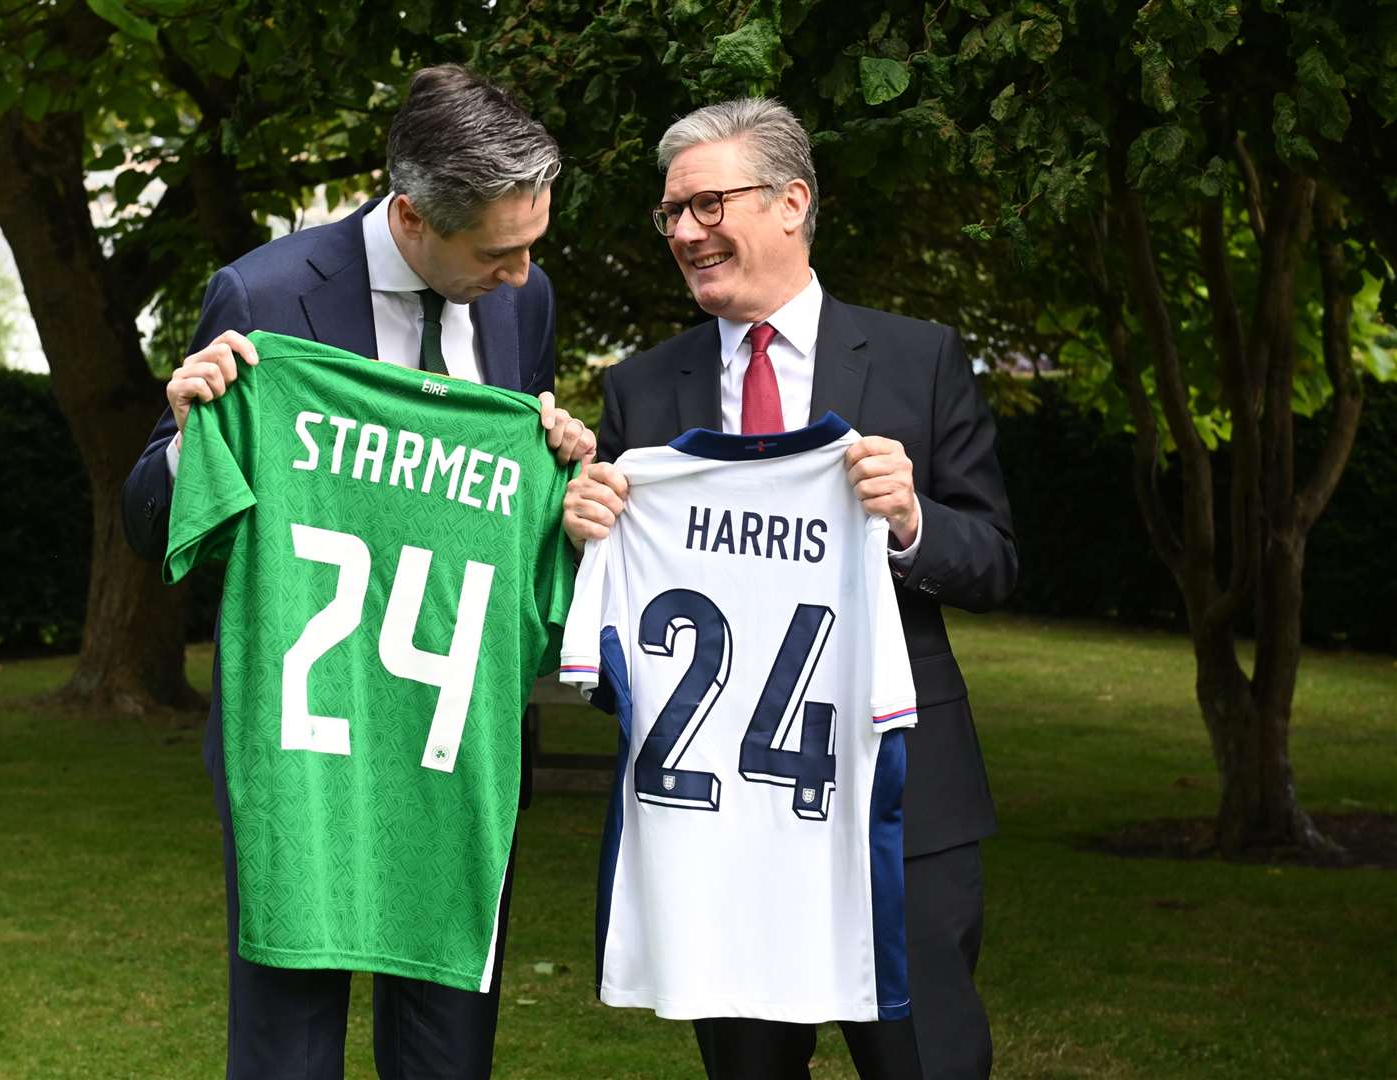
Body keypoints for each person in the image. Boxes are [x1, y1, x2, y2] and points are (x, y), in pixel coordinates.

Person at [122, 64, 591, 1080]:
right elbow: (153, 520)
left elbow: (508, 492)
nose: (518, 275)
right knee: (289, 1044)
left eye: (531, 250)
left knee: (447, 1046)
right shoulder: (266, 295)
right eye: (498, 254)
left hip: (454, 737)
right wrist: (189, 434)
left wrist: (564, 477)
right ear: (413, 216)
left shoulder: (525, 300)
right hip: (305, 739)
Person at [562, 98, 1017, 1080]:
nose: (685, 231)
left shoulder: (916, 358)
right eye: (671, 213)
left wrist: (912, 521)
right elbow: (610, 635)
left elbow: (995, 560)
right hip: (721, 823)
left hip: (901, 809)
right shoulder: (642, 390)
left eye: (707, 204)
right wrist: (583, 542)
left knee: (927, 1064)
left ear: (790, 202)